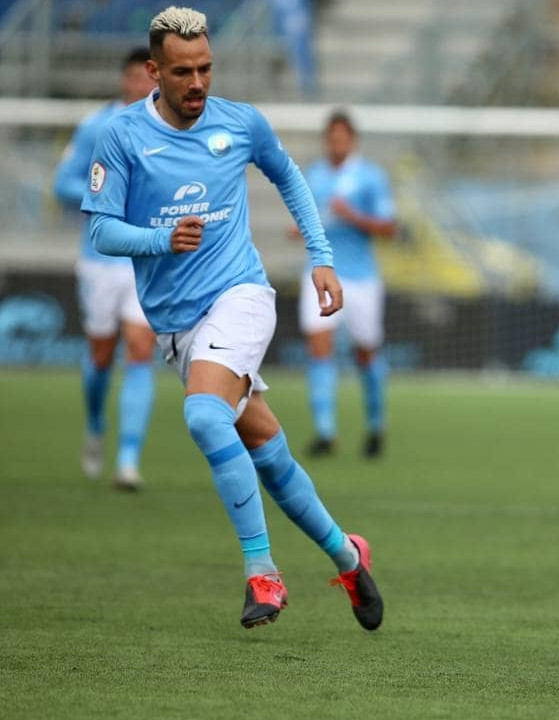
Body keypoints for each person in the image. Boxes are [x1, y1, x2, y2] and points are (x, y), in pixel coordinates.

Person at [82, 6, 382, 631]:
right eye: (183, 72)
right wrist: (160, 238)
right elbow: (102, 229)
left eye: (206, 69)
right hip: (177, 326)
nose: (198, 83)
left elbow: (290, 178)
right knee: (264, 449)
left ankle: (262, 572)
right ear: (153, 71)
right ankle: (346, 555)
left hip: (241, 296)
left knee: (202, 415)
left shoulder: (240, 123)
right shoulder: (121, 136)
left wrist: (321, 257)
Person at [53, 47, 157, 491]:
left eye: (149, 78)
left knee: (140, 347)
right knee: (100, 352)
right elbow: (63, 184)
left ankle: (128, 458)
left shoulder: (168, 128)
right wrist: (107, 195)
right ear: (125, 80)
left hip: (146, 259)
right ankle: (96, 424)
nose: (142, 86)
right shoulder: (98, 125)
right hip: (100, 257)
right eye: (135, 77)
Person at [297, 110, 398, 459]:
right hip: (320, 273)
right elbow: (303, 224)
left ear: (352, 141)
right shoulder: (314, 175)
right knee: (318, 345)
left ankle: (375, 424)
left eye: (343, 138)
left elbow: (389, 228)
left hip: (361, 278)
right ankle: (325, 431)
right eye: (332, 137)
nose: (337, 143)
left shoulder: (370, 177)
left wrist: (351, 215)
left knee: (365, 352)